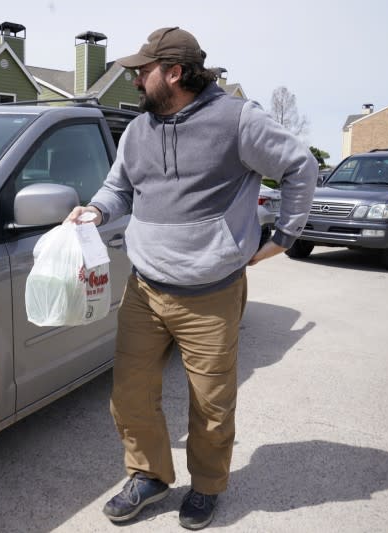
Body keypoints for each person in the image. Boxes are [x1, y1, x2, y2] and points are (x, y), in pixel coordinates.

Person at [66, 26, 317, 529]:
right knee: (130, 393)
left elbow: (300, 166)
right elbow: (119, 188)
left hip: (211, 294)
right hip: (144, 287)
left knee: (211, 404)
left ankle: (206, 486)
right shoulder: (138, 131)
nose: (135, 79)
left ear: (175, 73)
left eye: (143, 71)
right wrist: (95, 210)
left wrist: (283, 238)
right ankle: (149, 475)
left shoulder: (237, 121)